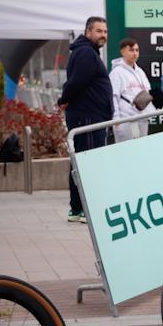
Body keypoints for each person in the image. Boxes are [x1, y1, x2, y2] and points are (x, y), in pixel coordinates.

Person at [58, 16, 112, 223]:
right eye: (98, 31)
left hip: (90, 116)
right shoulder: (85, 52)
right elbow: (76, 82)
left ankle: (77, 209)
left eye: (105, 31)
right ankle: (83, 210)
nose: (103, 35)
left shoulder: (87, 52)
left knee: (82, 162)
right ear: (88, 32)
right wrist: (64, 100)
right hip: (87, 117)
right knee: (87, 163)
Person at [109, 38, 151, 142]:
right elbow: (113, 96)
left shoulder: (140, 71)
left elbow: (147, 92)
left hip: (142, 116)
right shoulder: (117, 72)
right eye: (131, 50)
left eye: (137, 50)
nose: (135, 53)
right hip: (125, 119)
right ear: (123, 52)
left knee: (142, 147)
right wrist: (116, 118)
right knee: (126, 148)